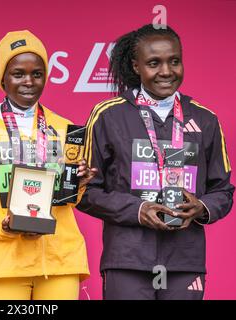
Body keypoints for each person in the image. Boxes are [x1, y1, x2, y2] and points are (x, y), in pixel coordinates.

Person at [77, 23, 234, 300]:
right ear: (136, 67)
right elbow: (85, 191)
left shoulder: (206, 119)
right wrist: (137, 210)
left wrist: (201, 207)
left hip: (185, 260)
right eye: (154, 63)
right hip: (127, 259)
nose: (166, 71)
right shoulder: (108, 116)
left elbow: (223, 190)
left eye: (174, 61)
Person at [0, 30, 96, 300]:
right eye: (18, 73)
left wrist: (79, 184)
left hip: (61, 261)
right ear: (2, 77)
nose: (28, 81)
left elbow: (67, 199)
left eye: (37, 74)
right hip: (6, 263)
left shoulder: (66, 129)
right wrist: (0, 225)